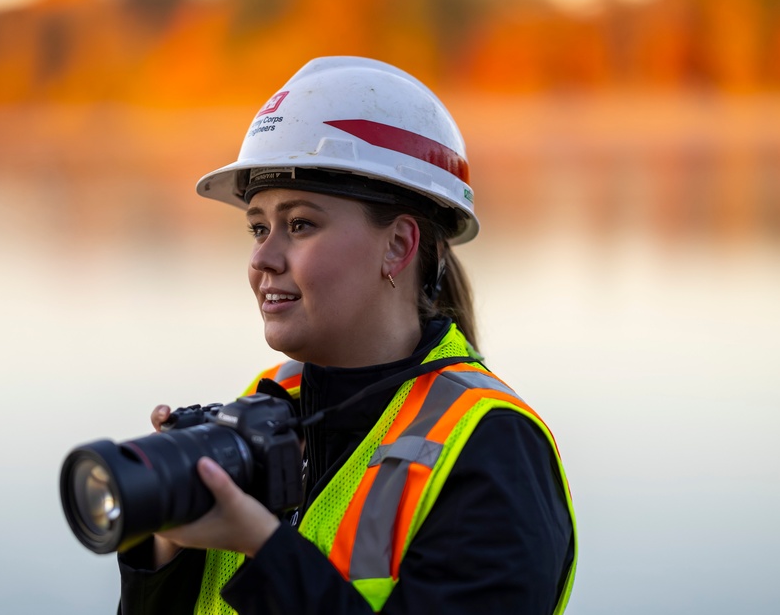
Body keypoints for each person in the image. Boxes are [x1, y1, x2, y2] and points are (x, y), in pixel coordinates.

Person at [117, 56, 577, 615]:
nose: (263, 258)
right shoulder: (270, 403)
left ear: (399, 246)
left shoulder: (493, 449)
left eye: (300, 224)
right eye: (258, 227)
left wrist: (262, 548)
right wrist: (163, 550)